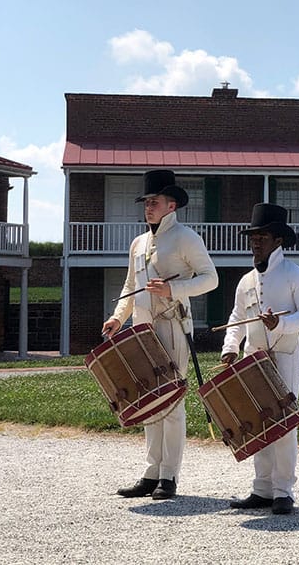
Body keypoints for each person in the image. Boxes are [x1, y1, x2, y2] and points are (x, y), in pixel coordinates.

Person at [102, 169, 218, 500]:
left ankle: (170, 476)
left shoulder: (186, 238)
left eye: (154, 202)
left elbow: (210, 278)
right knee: (147, 399)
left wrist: (173, 289)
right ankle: (151, 472)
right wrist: (116, 317)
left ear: (171, 205)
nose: (148, 208)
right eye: (146, 203)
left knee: (172, 400)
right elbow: (130, 286)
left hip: (172, 324)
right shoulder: (138, 243)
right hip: (142, 327)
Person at [221, 203, 299, 514]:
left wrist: (282, 325)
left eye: (261, 236)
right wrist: (231, 346)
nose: (255, 241)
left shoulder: (297, 276)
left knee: (284, 424)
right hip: (254, 358)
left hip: (285, 356)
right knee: (257, 422)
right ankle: (262, 488)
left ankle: (284, 491)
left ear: (278, 240)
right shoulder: (246, 280)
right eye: (253, 236)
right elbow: (237, 316)